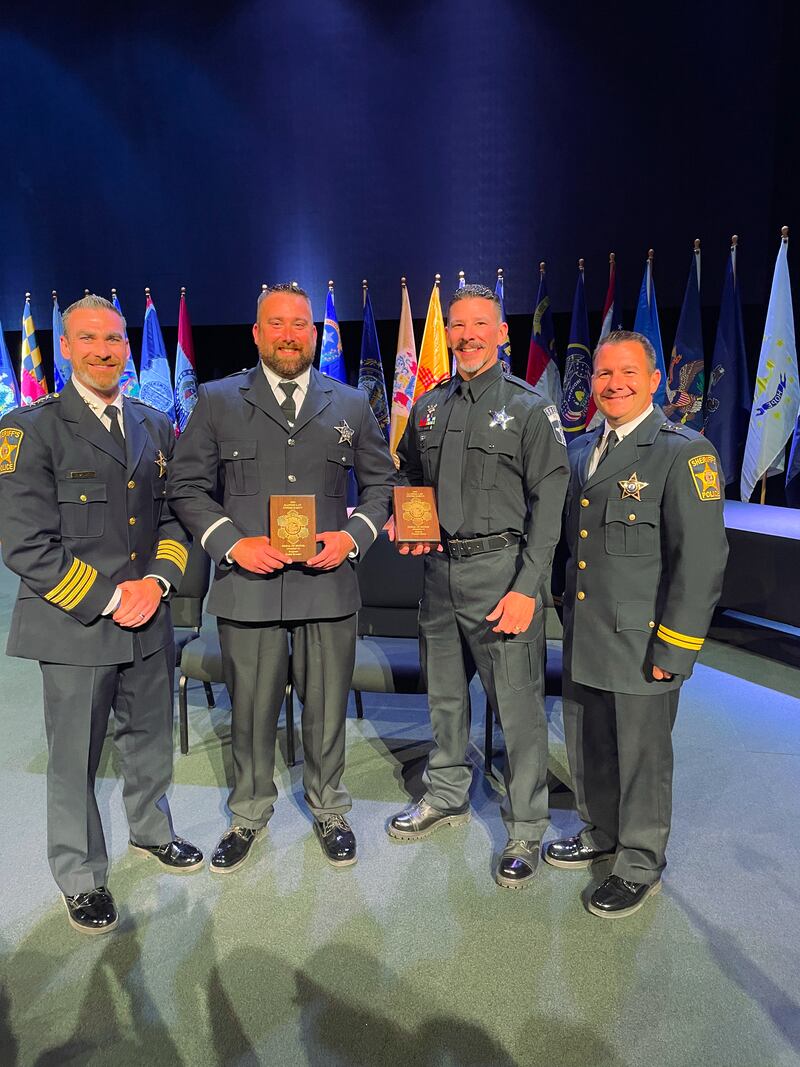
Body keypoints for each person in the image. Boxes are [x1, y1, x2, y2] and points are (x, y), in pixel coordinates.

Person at [168, 283, 396, 872]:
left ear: (314, 335)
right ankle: (248, 813)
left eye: (300, 325)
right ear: (256, 333)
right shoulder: (217, 400)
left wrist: (352, 538)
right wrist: (231, 543)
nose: (290, 334)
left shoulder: (349, 402)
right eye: (277, 324)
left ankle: (329, 808)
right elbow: (186, 487)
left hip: (328, 583)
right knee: (250, 709)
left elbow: (382, 488)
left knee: (325, 706)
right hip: (250, 584)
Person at [0, 294, 203, 936]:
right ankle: (79, 875)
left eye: (115, 339)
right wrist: (114, 596)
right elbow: (24, 544)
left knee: (149, 740)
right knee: (74, 757)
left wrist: (160, 581)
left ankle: (149, 830)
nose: (105, 351)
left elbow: (173, 519)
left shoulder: (153, 423)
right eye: (89, 339)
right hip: (77, 624)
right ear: (65, 347)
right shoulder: (28, 430)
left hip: (150, 617)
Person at [388, 284, 570, 888]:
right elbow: (411, 474)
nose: (466, 335)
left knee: (516, 707)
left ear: (501, 334)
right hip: (439, 574)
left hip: (503, 575)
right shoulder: (429, 406)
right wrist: (403, 514)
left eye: (478, 325)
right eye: (457, 327)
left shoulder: (527, 408)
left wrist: (529, 589)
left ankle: (525, 826)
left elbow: (550, 509)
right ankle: (445, 793)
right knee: (443, 696)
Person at [545, 330, 728, 917]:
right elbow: (568, 550)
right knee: (589, 743)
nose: (613, 384)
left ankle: (640, 861)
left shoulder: (684, 451)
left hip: (644, 641)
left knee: (643, 756)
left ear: (654, 381)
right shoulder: (578, 451)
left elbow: (699, 562)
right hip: (587, 632)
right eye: (602, 374)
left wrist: (674, 649)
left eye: (628, 373)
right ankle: (600, 832)